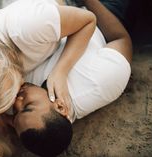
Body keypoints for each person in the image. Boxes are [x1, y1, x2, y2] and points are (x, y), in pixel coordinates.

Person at [0, 0, 96, 156]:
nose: (16, 101)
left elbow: (88, 19)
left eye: (13, 94)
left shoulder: (31, 26)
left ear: (0, 66)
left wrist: (61, 71)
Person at [11, 0, 132, 156]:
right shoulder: (100, 83)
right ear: (61, 107)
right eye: (27, 106)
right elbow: (120, 38)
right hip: (99, 10)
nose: (16, 101)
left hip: (50, 11)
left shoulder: (25, 95)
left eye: (15, 113)